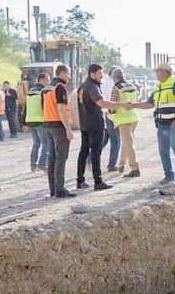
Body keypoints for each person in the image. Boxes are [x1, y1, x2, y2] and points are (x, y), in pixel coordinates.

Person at [132, 63, 175, 184]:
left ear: (165, 72)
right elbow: (149, 104)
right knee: (163, 150)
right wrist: (133, 105)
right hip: (162, 124)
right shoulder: (158, 88)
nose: (156, 74)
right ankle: (169, 176)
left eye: (158, 72)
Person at [76, 64, 130, 191]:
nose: (102, 76)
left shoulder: (82, 87)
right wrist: (122, 104)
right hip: (95, 124)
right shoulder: (92, 86)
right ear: (92, 74)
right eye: (100, 73)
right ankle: (98, 181)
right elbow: (102, 103)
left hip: (85, 124)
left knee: (84, 152)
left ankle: (80, 180)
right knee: (95, 152)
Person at [42, 64, 75, 198]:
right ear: (61, 73)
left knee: (52, 158)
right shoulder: (60, 87)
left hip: (47, 125)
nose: (69, 77)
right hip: (58, 126)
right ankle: (60, 189)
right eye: (68, 74)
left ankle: (53, 189)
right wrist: (68, 128)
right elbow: (61, 109)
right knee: (61, 158)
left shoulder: (46, 88)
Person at [109, 66, 141, 177]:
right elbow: (137, 99)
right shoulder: (131, 85)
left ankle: (134, 168)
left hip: (123, 119)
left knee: (128, 143)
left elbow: (113, 104)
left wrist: (109, 112)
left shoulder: (116, 87)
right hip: (134, 117)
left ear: (114, 77)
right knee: (126, 142)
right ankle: (121, 164)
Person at [26, 72, 50, 172]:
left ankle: (33, 164)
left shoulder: (30, 91)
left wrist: (24, 122)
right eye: (47, 80)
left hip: (31, 120)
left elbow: (26, 107)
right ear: (42, 80)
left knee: (36, 143)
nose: (48, 82)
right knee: (46, 143)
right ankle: (42, 163)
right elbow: (45, 107)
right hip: (40, 120)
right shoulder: (43, 91)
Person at [100, 68, 121, 172]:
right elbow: (113, 101)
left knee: (105, 139)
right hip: (113, 115)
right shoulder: (114, 84)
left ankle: (89, 158)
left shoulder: (103, 82)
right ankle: (112, 164)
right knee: (116, 140)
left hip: (105, 114)